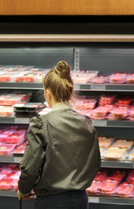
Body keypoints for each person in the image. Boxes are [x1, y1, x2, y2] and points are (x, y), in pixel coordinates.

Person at [17, 60, 101, 209]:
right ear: (70, 92)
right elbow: (95, 163)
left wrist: (23, 189)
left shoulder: (41, 124)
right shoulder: (86, 123)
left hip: (51, 201)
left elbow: (31, 167)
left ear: (47, 94)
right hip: (81, 199)